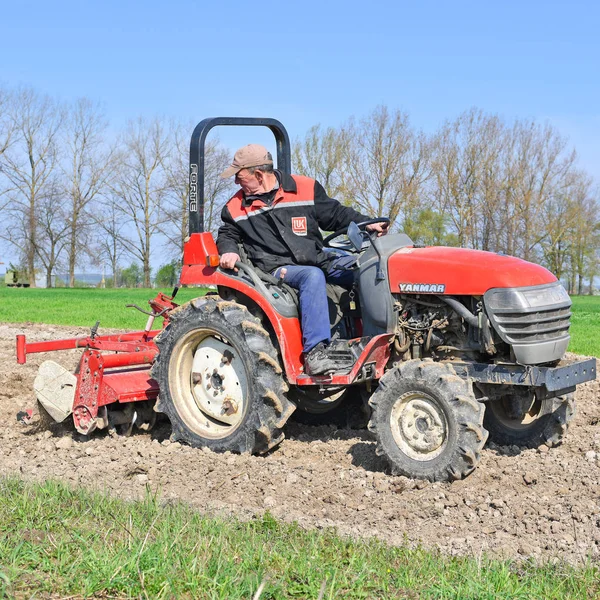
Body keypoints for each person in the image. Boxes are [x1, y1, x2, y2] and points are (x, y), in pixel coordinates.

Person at [216, 144, 388, 375]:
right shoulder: (236, 207)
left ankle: (374, 340)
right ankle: (316, 353)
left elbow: (336, 215)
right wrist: (229, 250)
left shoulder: (304, 188)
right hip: (275, 269)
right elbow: (228, 233)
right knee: (311, 276)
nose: (237, 183)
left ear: (258, 175)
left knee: (367, 269)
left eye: (239, 176)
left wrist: (368, 223)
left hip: (317, 258)